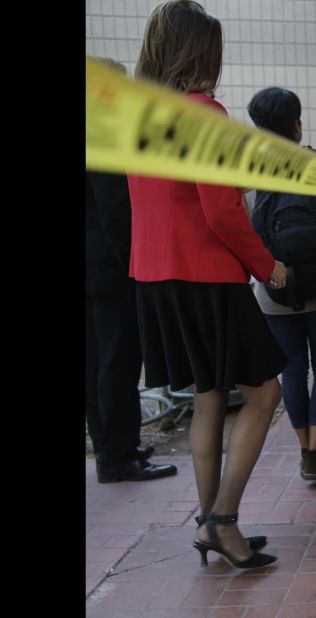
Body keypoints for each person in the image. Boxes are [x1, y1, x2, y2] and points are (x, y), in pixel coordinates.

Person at [128, 0, 283, 569]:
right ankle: (222, 520)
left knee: (209, 396)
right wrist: (269, 265)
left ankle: (209, 523)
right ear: (201, 51)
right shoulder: (204, 114)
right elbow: (220, 212)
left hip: (155, 276)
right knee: (266, 392)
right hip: (206, 275)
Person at [246, 87, 316, 481]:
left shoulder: (247, 173)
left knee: (292, 370)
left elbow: (246, 234)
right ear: (297, 123)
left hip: (275, 289)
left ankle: (303, 451)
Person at [86, 60, 178, 484]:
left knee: (95, 362)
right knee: (118, 361)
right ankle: (117, 456)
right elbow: (116, 211)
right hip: (111, 268)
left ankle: (110, 445)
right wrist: (137, 263)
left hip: (93, 266)